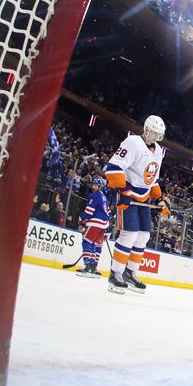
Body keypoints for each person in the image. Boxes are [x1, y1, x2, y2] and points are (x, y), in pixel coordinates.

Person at [103, 115, 169, 295]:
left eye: (159, 134)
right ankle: (115, 274)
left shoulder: (158, 151)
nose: (156, 136)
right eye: (154, 132)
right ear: (146, 129)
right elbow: (114, 167)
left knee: (143, 236)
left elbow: (152, 179)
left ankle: (130, 273)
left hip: (143, 197)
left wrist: (159, 199)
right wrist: (122, 190)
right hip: (128, 193)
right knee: (129, 234)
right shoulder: (132, 142)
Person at [73, 182, 110, 277]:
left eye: (95, 185)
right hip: (104, 224)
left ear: (99, 187)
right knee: (93, 243)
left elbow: (89, 211)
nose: (92, 186)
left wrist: (82, 220)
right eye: (93, 184)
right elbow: (109, 212)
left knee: (86, 242)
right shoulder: (105, 197)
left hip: (95, 222)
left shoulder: (94, 195)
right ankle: (93, 266)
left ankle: (87, 265)